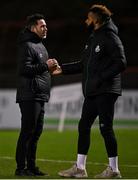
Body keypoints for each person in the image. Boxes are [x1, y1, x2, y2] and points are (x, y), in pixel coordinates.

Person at [53, 4, 127, 179]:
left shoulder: (110, 36)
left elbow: (121, 62)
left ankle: (114, 169)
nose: (86, 20)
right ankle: (80, 168)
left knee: (105, 128)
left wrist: (101, 77)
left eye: (89, 17)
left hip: (106, 90)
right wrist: (61, 69)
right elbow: (83, 64)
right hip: (93, 91)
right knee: (83, 125)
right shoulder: (94, 38)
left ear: (96, 19)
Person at [15, 14, 58, 176]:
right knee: (27, 131)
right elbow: (23, 70)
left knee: (36, 132)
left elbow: (40, 68)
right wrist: (44, 66)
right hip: (29, 94)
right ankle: (21, 168)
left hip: (39, 95)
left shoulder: (40, 45)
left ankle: (31, 166)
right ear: (33, 27)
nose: (45, 28)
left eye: (46, 26)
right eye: (42, 26)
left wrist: (49, 68)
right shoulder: (26, 45)